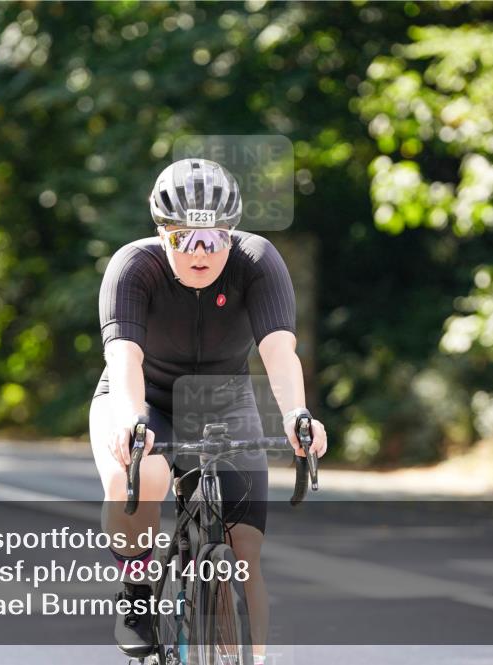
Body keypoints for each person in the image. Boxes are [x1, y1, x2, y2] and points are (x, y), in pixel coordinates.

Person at [90, 158, 327, 662]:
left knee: (246, 554)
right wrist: (132, 421)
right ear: (162, 234)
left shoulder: (258, 261)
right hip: (141, 395)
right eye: (184, 240)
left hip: (223, 400)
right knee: (143, 475)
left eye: (214, 239)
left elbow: (279, 352)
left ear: (232, 234)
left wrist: (296, 416)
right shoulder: (134, 266)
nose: (201, 253)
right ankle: (136, 592)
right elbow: (123, 356)